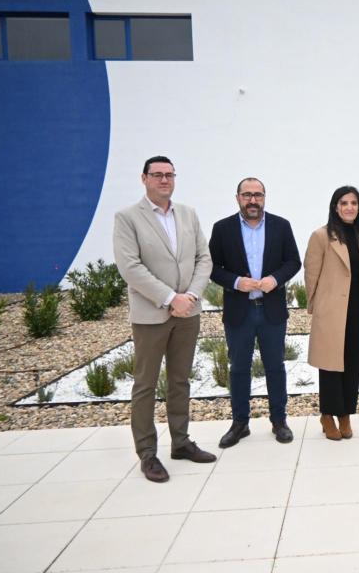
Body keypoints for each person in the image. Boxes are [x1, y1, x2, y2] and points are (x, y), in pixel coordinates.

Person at [113, 155, 214, 483]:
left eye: (169, 174)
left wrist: (192, 297)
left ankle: (181, 442)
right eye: (157, 175)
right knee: (145, 384)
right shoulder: (128, 218)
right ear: (144, 178)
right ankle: (147, 453)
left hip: (189, 312)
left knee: (180, 381)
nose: (164, 180)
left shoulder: (188, 214)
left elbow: (204, 258)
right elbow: (131, 267)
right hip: (151, 315)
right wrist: (171, 298)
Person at [209, 177, 301, 448]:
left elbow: (293, 261)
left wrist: (275, 279)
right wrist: (237, 282)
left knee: (275, 367)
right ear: (237, 197)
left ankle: (279, 421)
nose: (253, 200)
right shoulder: (222, 229)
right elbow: (212, 267)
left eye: (258, 195)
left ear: (264, 198)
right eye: (247, 195)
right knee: (239, 368)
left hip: (271, 310)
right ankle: (240, 424)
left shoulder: (281, 226)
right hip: (240, 311)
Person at [304, 186, 359, 440]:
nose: (349, 207)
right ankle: (327, 415)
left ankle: (345, 414)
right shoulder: (321, 236)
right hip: (331, 312)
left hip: (355, 309)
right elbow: (311, 273)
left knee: (352, 363)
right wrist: (315, 306)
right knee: (331, 366)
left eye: (354, 203)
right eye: (344, 203)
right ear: (335, 207)